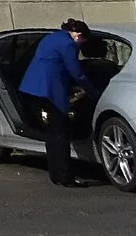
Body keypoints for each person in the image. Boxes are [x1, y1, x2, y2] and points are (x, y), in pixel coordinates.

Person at [18, 18, 91, 186]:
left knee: (51, 133)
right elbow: (76, 73)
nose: (80, 46)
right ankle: (66, 177)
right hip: (48, 90)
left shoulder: (52, 38)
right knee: (61, 133)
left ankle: (56, 174)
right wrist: (92, 90)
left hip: (30, 88)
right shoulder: (68, 45)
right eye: (82, 42)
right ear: (78, 36)